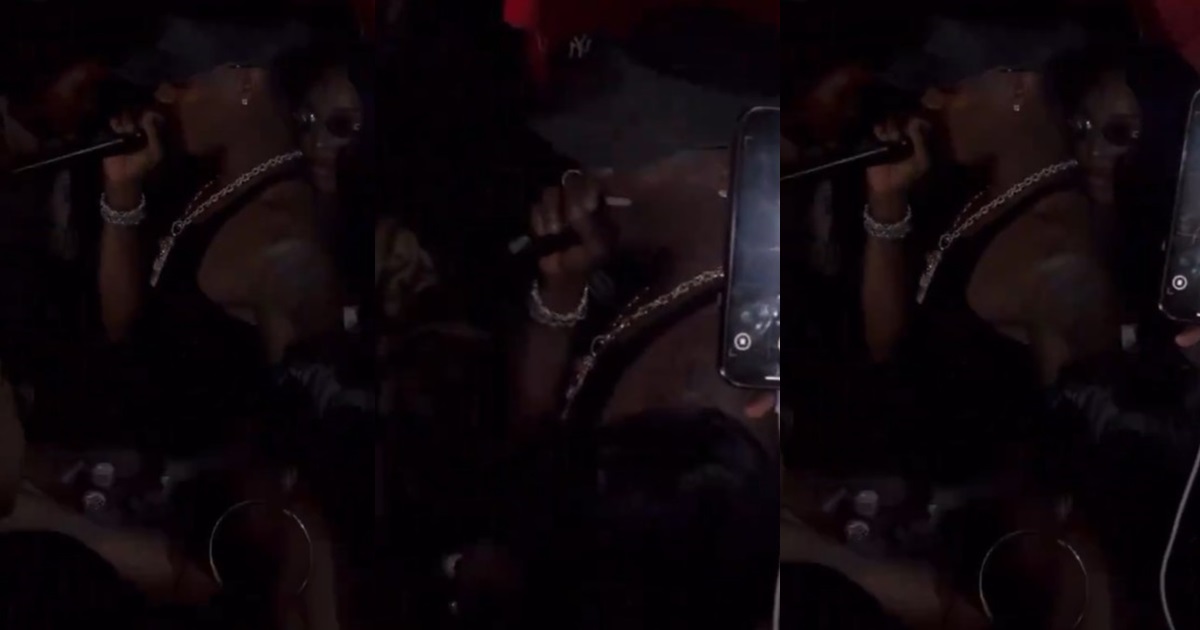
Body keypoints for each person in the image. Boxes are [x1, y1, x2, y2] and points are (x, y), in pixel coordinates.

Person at [509, 6, 779, 442]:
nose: (590, 174)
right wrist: (560, 298)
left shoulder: (714, 372)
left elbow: (536, 473)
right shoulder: (662, 291)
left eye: (619, 153)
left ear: (730, 168)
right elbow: (538, 438)